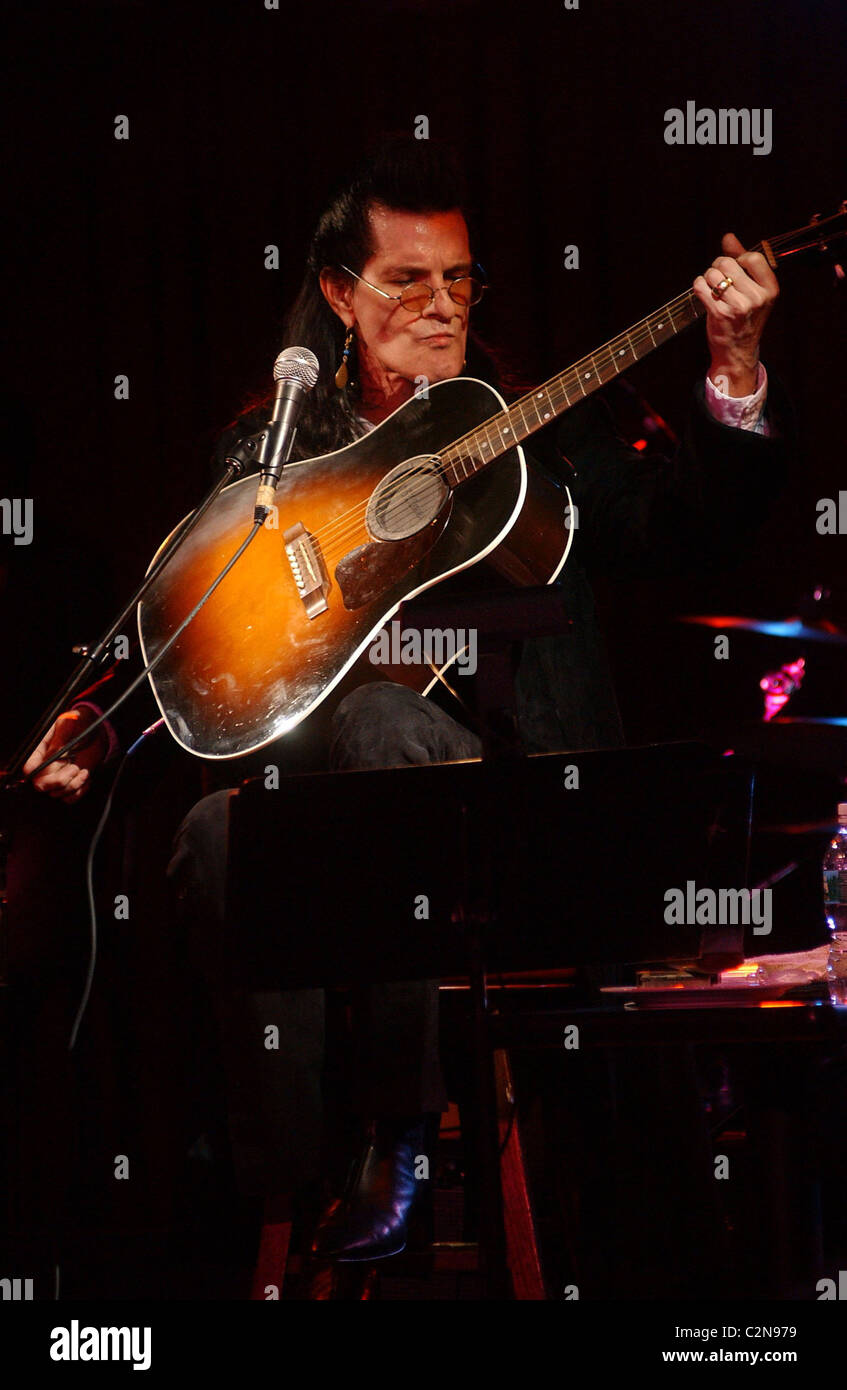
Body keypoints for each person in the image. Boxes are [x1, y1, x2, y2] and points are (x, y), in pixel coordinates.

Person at [24, 138, 788, 1265]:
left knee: (386, 727)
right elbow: (196, 620)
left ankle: (400, 1139)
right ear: (339, 294)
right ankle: (295, 1188)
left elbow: (697, 533)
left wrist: (732, 366)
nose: (442, 305)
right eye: (407, 280)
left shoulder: (549, 426)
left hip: (521, 822)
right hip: (335, 844)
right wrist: (96, 713)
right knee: (207, 832)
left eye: (460, 279)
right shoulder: (282, 452)